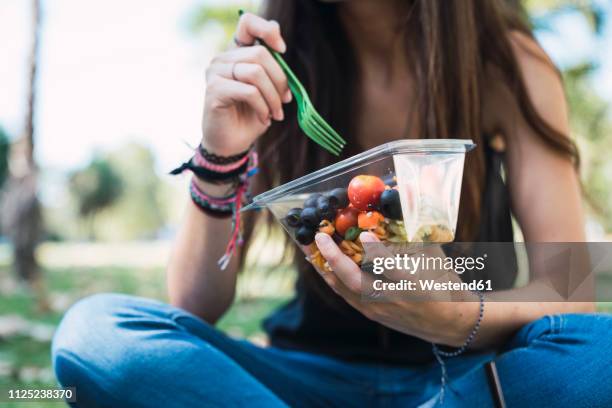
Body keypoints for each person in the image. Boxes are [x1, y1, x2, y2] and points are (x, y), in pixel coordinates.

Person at [52, 1, 612, 407]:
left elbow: (572, 289)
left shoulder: (506, 60)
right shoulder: (275, 70)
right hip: (307, 379)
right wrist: (220, 155)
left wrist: (456, 316)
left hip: (466, 378)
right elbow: (195, 305)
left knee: (601, 352)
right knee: (96, 334)